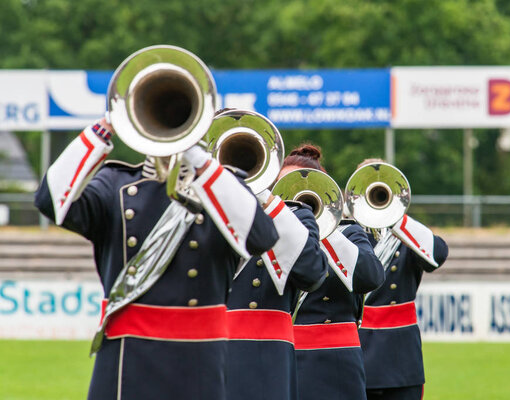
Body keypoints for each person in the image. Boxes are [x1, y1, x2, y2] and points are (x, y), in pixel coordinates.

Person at [34, 117, 278, 400]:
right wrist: (104, 129)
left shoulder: (221, 191)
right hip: (127, 355)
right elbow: (49, 199)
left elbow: (262, 236)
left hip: (199, 357)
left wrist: (197, 157)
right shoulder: (116, 184)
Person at [286, 145, 385, 400]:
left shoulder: (348, 233)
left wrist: (323, 227)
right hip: (281, 355)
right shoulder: (267, 234)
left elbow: (371, 277)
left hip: (335, 361)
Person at [225, 178, 328, 400]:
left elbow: (313, 273)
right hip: (215, 347)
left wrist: (269, 204)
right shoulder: (216, 204)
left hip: (270, 354)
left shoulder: (297, 216)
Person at [358, 160, 449, 400]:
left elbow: (437, 255)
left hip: (400, 354)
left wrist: (395, 217)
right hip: (358, 348)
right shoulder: (349, 233)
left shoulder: (406, 234)